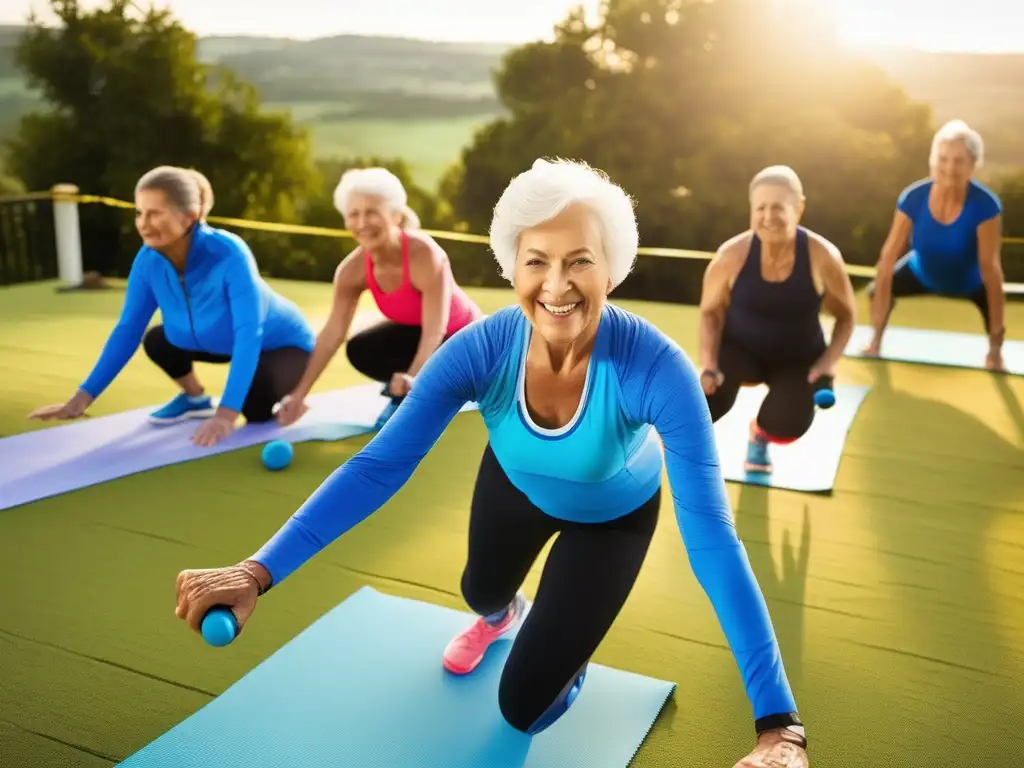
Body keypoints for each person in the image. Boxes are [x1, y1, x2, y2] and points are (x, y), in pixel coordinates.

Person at [175, 159, 809, 767]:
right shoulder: (481, 348)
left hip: (612, 521)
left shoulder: (658, 368)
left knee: (523, 709)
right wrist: (256, 572)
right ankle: (510, 618)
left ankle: (565, 648)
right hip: (513, 487)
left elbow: (713, 543)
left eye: (580, 262)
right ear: (513, 267)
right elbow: (377, 468)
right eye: (537, 261)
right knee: (480, 592)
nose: (557, 285)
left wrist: (779, 725)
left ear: (611, 268)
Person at [27, 166, 316, 447]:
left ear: (190, 215)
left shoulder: (230, 254)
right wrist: (80, 399)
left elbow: (249, 333)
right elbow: (128, 329)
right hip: (218, 341)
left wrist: (226, 415)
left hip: (282, 346)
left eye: (155, 213)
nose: (143, 223)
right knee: (157, 339)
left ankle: (293, 392)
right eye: (139, 213)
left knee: (255, 412)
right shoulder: (147, 260)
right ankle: (194, 399)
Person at [275, 167, 482, 429]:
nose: (362, 223)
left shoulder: (425, 256)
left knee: (432, 378)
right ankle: (420, 387)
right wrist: (298, 394)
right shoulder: (351, 271)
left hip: (462, 339)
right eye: (354, 214)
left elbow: (435, 331)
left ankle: (421, 392)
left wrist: (411, 380)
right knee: (362, 348)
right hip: (418, 335)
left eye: (372, 212)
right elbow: (332, 334)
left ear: (396, 216)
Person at [698, 165, 857, 473]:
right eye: (761, 207)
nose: (768, 216)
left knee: (787, 423)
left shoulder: (823, 257)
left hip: (797, 359)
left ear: (799, 208)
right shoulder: (731, 256)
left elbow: (847, 317)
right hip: (740, 350)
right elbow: (710, 311)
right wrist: (709, 363)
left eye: (778, 207)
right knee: (702, 401)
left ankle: (759, 433)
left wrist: (827, 363)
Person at [864, 119, 1006, 370]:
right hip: (920, 273)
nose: (949, 167)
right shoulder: (913, 197)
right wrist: (874, 340)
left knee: (991, 316)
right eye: (943, 159)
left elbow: (990, 269)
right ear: (933, 160)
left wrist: (996, 346)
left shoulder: (986, 206)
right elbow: (887, 259)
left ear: (974, 165)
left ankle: (994, 353)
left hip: (970, 282)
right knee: (876, 289)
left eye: (959, 161)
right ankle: (876, 339)